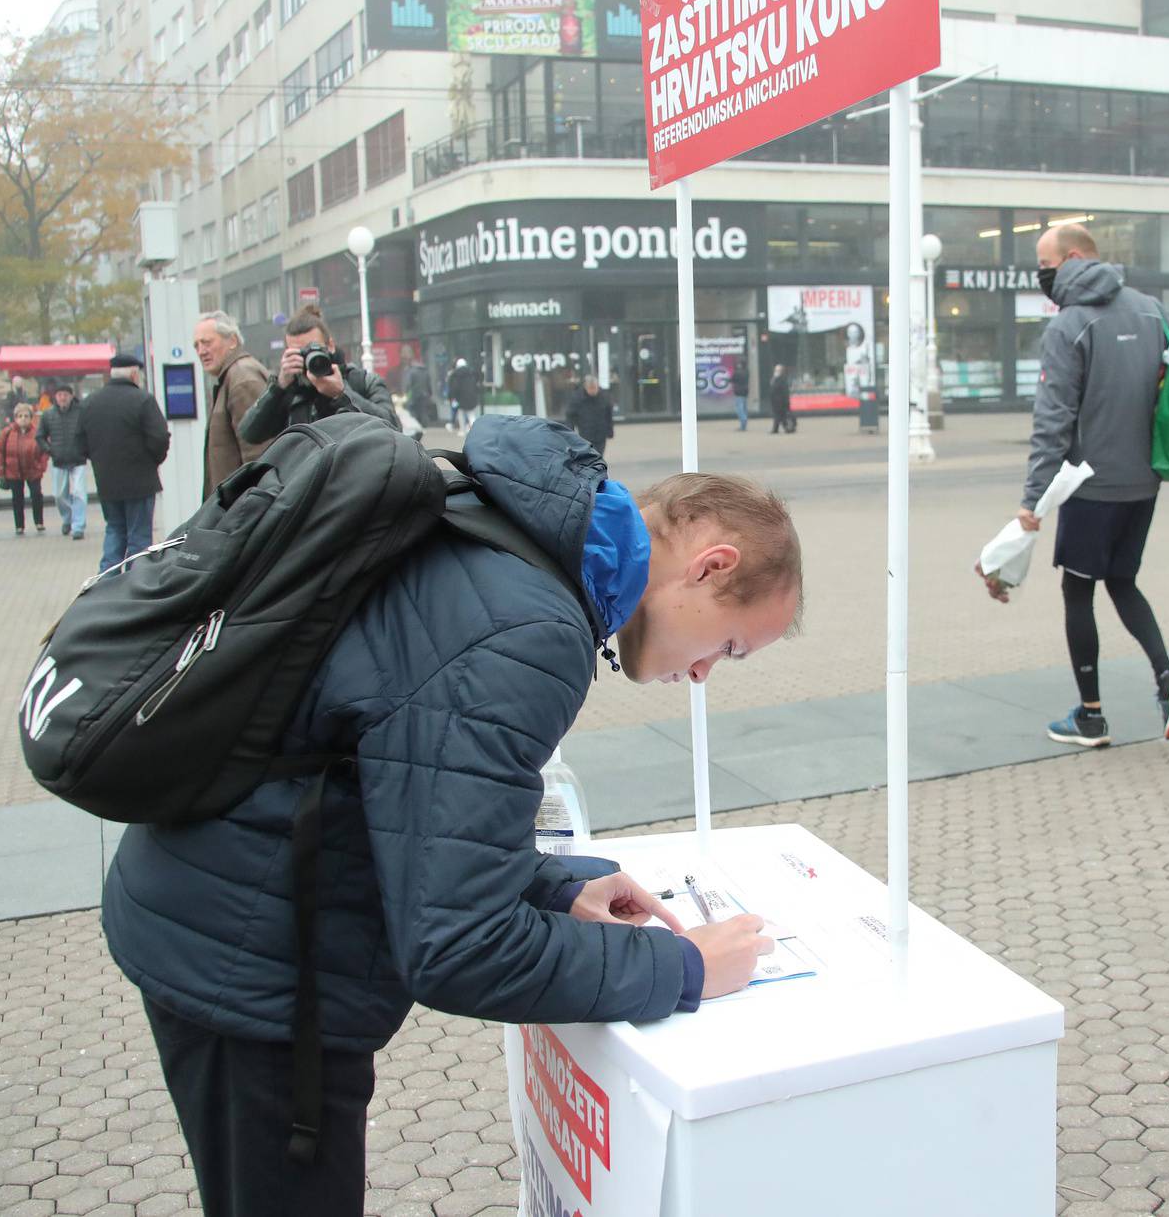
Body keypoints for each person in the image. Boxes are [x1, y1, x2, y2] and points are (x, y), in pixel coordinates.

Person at [103, 417, 805, 1217]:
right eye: (732, 645)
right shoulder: (532, 629)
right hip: (255, 969)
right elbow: (459, 945)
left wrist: (549, 888)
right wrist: (685, 970)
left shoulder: (507, 528)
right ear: (713, 567)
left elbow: (400, 789)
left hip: (222, 906)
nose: (707, 673)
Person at [1019, 222, 1169, 746]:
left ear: (1074, 257)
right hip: (1144, 484)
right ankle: (1167, 679)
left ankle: (1090, 716)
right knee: (1123, 581)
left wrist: (1033, 500)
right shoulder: (1152, 311)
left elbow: (1053, 420)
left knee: (1078, 592)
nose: (1042, 275)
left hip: (1089, 487)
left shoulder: (1068, 325)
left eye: (1045, 265)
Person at [241, 306, 399, 444]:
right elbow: (250, 434)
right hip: (304, 476)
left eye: (313, 349)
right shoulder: (289, 390)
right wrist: (278, 387)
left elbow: (393, 429)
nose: (309, 357)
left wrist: (341, 395)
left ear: (330, 345)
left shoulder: (363, 382)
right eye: (301, 353)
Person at [78, 355, 171, 574]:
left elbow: (80, 443)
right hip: (141, 482)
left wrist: (101, 461)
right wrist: (152, 461)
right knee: (139, 537)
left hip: (107, 482)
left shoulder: (90, 402)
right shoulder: (143, 400)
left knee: (114, 531)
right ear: (133, 374)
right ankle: (137, 583)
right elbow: (159, 438)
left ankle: (107, 584)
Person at [195, 310, 274, 495]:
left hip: (242, 506)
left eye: (207, 343)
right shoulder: (233, 376)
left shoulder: (242, 378)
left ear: (232, 341)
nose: (201, 351)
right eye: (196, 345)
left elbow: (258, 454)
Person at [37, 382, 89, 540]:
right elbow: (40, 436)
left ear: (71, 396)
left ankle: (78, 526)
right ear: (55, 397)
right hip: (59, 459)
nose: (63, 398)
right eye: (59, 395)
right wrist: (49, 450)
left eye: (65, 395)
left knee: (79, 493)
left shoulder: (81, 412)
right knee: (59, 495)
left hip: (78, 459)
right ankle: (67, 518)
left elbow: (89, 431)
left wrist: (86, 449)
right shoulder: (48, 415)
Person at [0, 402, 51, 537]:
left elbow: (45, 450)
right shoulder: (7, 432)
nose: (23, 419)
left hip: (33, 469)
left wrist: (41, 466)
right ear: (15, 418)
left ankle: (39, 522)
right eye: (20, 416)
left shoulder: (37, 432)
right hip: (13, 470)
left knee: (36, 495)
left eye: (26, 416)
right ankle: (19, 525)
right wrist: (1, 471)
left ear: (31, 418)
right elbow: (0, 452)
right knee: (17, 498)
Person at [563, 373, 615, 456]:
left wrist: (610, 430)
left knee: (599, 455)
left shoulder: (604, 397)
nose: (593, 391)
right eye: (590, 388)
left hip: (601, 433)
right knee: (589, 455)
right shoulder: (577, 398)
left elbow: (609, 415)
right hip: (586, 433)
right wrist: (570, 431)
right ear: (585, 387)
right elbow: (570, 416)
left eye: (595, 388)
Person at [448, 357, 482, 432]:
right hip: (471, 397)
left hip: (460, 398)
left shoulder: (455, 374)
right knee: (471, 414)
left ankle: (462, 430)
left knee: (461, 414)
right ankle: (475, 431)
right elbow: (476, 385)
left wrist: (452, 397)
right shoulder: (472, 373)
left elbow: (454, 387)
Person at [769, 363, 796, 434]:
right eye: (775, 370)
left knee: (779, 415)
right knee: (779, 415)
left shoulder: (782, 380)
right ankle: (783, 428)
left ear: (781, 371)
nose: (776, 372)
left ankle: (778, 428)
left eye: (777, 370)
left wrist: (786, 402)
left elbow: (785, 392)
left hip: (780, 402)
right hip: (775, 401)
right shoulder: (774, 379)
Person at [731, 357, 750, 431]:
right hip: (745, 391)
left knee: (739, 408)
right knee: (744, 408)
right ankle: (743, 426)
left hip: (738, 392)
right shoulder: (747, 371)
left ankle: (743, 420)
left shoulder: (737, 372)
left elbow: (732, 379)